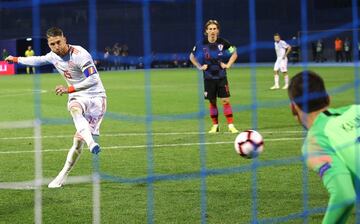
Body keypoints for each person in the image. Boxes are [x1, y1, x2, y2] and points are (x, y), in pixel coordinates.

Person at [5, 27, 107, 188]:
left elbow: (93, 79)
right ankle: (86, 148)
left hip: (96, 98)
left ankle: (83, 147)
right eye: (52, 44)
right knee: (74, 109)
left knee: (76, 143)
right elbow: (37, 60)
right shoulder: (53, 56)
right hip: (78, 97)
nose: (56, 47)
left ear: (65, 39)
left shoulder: (80, 54)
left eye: (58, 42)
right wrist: (16, 59)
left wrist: (69, 89)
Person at [288, 70, 359, 223]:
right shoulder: (356, 110)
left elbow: (344, 196)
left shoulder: (315, 142)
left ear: (293, 108)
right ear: (328, 98)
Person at [189, 19, 239, 134]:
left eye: (214, 29)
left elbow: (234, 53)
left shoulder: (224, 43)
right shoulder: (201, 44)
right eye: (210, 29)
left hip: (221, 77)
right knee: (212, 102)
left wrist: (228, 65)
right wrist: (199, 67)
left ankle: (231, 125)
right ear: (206, 31)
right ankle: (215, 125)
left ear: (218, 30)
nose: (212, 31)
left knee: (225, 101)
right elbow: (192, 57)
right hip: (208, 78)